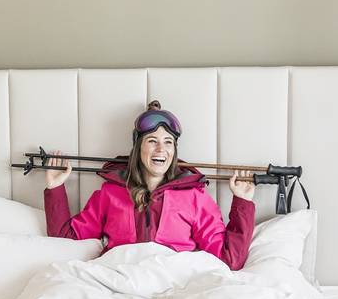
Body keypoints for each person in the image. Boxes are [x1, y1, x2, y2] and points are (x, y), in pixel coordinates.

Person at [43, 101, 256, 270]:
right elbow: (66, 240)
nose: (160, 149)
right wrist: (55, 189)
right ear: (138, 148)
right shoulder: (110, 193)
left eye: (168, 142)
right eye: (152, 141)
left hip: (173, 281)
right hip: (120, 277)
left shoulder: (194, 197)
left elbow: (229, 259)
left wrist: (243, 203)